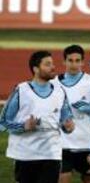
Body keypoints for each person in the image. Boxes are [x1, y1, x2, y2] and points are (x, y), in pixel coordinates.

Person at [0, 51, 75, 183]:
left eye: (52, 64)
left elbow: (66, 121)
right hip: (25, 155)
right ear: (35, 69)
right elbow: (3, 122)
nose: (53, 67)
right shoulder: (21, 90)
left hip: (51, 155)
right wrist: (23, 126)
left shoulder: (60, 92)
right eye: (47, 64)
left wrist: (69, 127)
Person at [52, 45, 90, 183]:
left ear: (83, 62)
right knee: (63, 178)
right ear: (64, 62)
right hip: (62, 144)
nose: (74, 64)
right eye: (70, 60)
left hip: (86, 143)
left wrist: (89, 108)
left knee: (88, 179)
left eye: (77, 60)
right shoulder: (54, 83)